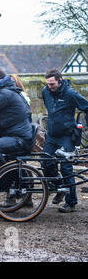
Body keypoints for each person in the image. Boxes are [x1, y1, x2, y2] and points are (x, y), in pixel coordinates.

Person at [41, 69, 88, 213]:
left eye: (52, 84)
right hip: (51, 135)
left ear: (60, 80)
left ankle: (71, 202)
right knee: (45, 162)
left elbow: (86, 106)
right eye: (48, 84)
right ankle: (60, 186)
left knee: (66, 167)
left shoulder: (70, 94)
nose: (50, 86)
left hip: (66, 136)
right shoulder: (45, 91)